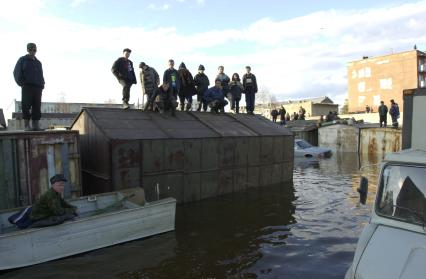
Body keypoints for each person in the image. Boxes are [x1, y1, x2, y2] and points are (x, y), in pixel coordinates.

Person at [13, 43, 45, 131]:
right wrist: (22, 83)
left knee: (37, 106)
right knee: (26, 105)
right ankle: (27, 126)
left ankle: (36, 125)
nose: (32, 51)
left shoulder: (38, 63)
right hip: (27, 86)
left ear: (36, 50)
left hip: (38, 87)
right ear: (27, 50)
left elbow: (41, 74)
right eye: (30, 49)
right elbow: (16, 72)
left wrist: (42, 84)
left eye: (34, 50)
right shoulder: (22, 60)